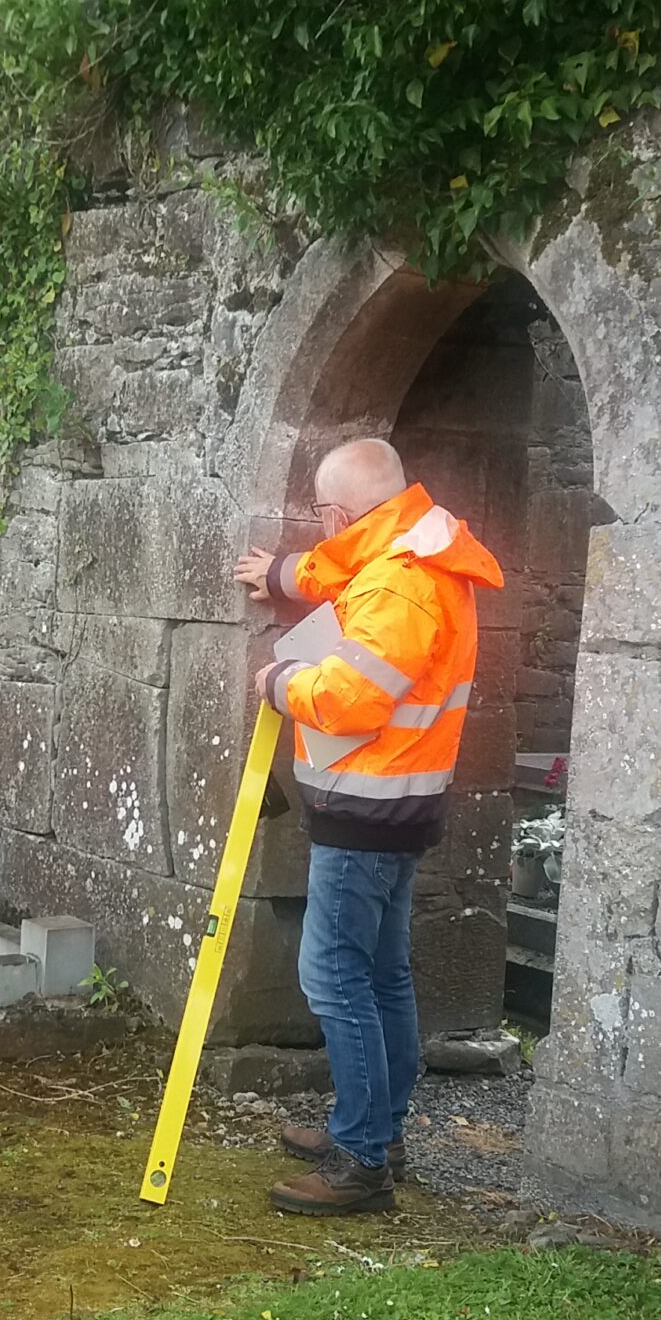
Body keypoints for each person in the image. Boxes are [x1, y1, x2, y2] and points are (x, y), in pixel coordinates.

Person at [231, 438, 503, 1215]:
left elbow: (350, 698)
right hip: (394, 804)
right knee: (382, 974)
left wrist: (280, 681)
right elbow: (342, 566)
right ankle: (380, 1130)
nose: (324, 528)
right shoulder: (410, 544)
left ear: (338, 512)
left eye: (323, 514)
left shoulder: (400, 582)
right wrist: (283, 574)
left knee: (334, 977)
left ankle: (360, 1160)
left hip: (366, 810)